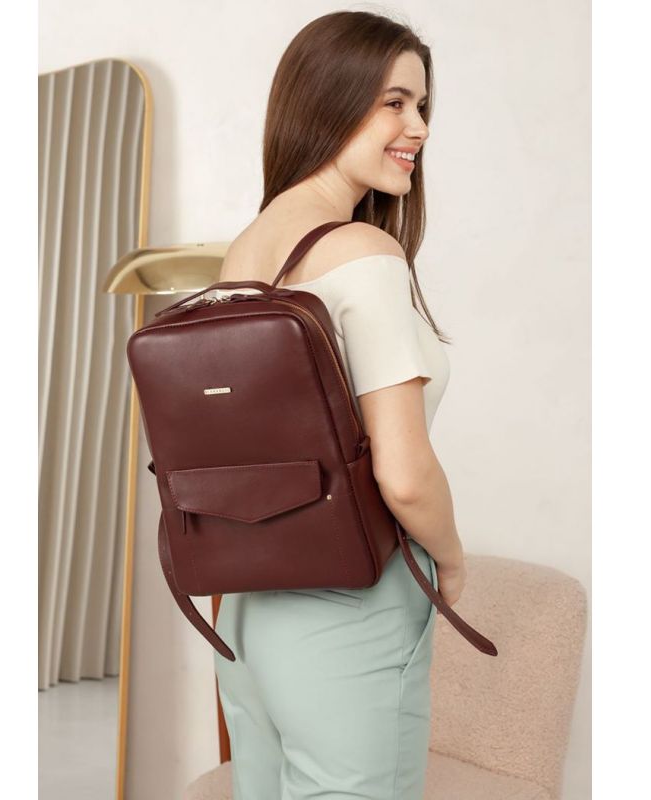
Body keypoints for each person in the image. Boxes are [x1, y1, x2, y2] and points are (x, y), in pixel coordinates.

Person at [212, 11, 467, 799]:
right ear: (329, 99)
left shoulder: (246, 250)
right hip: (350, 604)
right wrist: (453, 561)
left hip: (246, 613)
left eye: (422, 105)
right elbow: (404, 475)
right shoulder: (361, 253)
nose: (418, 127)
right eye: (394, 103)